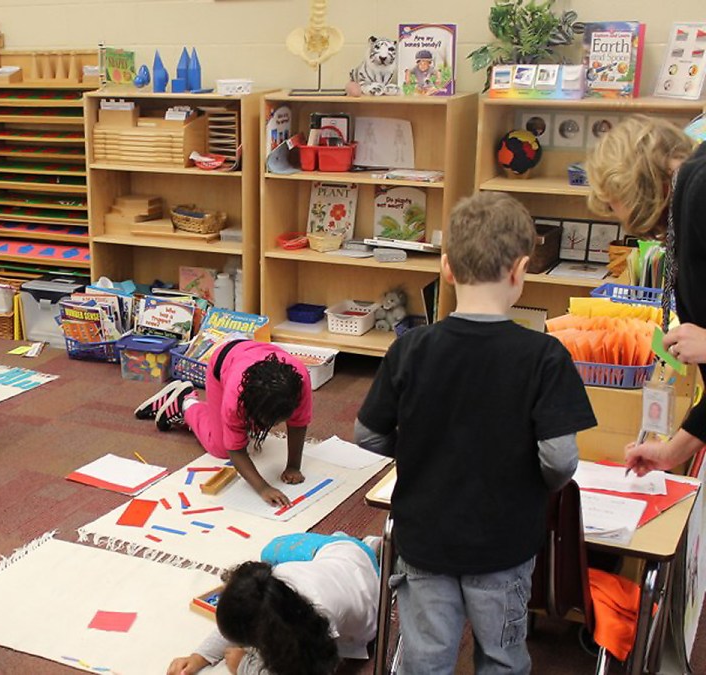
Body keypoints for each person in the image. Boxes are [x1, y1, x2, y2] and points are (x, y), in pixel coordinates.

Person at [354, 192, 596, 674]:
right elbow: (559, 460)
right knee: (502, 658)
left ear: (446, 268)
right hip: (504, 543)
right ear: (520, 270)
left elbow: (367, 435)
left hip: (424, 539)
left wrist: (418, 452)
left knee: (425, 659)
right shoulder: (545, 356)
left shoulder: (410, 349)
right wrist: (536, 481)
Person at [586, 115, 706, 476]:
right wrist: (672, 452)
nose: (621, 220)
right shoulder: (688, 197)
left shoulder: (699, 189)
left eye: (612, 204)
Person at [166, 532, 380, 675]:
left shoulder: (317, 625)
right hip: (341, 552)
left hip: (368, 587)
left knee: (272, 551)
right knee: (270, 551)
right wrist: (200, 656)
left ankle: (373, 548)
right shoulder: (272, 581)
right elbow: (238, 615)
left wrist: (243, 666)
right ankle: (361, 544)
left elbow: (307, 670)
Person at [135, 340, 312, 507]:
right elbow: (235, 449)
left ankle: (213, 413)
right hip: (223, 362)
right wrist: (263, 488)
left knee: (249, 428)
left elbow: (299, 423)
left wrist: (293, 467)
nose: (273, 427)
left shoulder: (300, 382)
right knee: (220, 448)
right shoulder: (235, 398)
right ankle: (185, 403)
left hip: (250, 358)